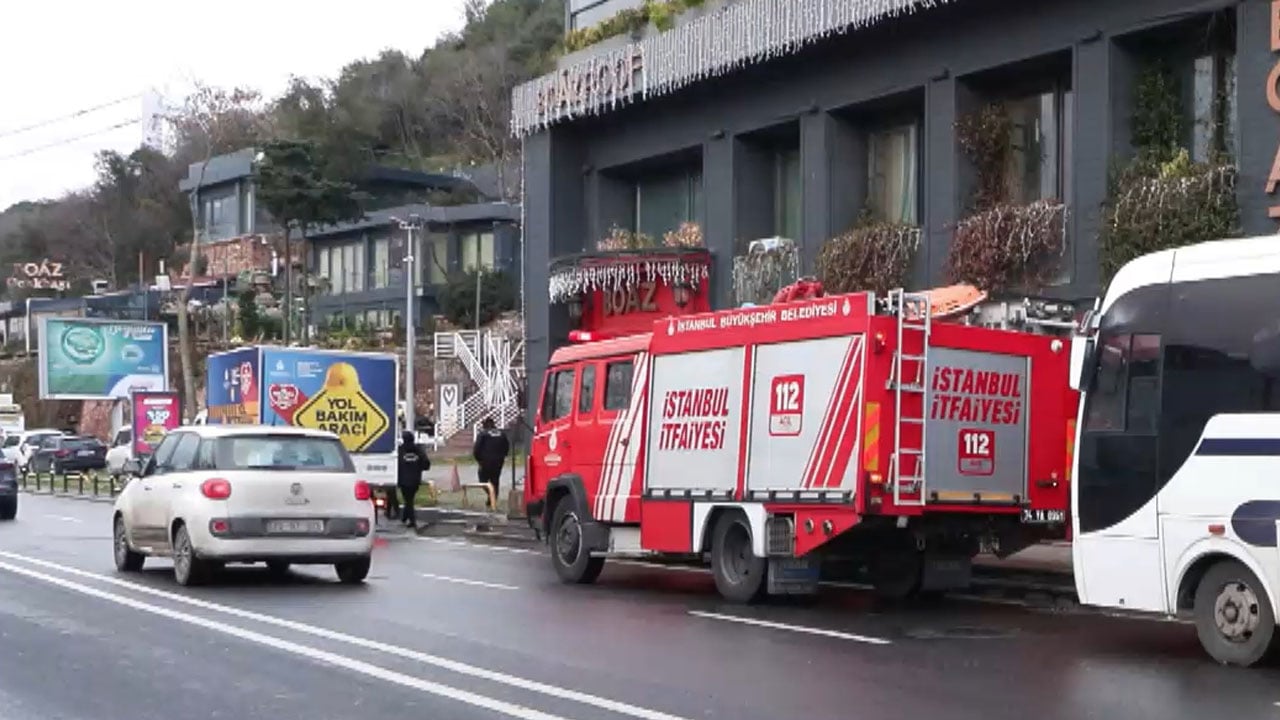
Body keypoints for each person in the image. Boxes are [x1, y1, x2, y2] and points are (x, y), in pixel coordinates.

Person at [472, 418, 510, 510]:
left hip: (485, 461)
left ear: (485, 425)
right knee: (495, 480)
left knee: (483, 480)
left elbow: (476, 449)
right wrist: (503, 456)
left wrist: (479, 460)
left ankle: (491, 495)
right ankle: (493, 498)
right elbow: (507, 446)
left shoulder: (483, 434)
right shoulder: (501, 434)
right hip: (498, 461)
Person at [396, 430, 430, 528]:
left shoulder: (400, 450)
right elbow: (426, 465)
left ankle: (412, 521)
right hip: (415, 480)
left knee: (408, 500)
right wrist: (417, 467)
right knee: (409, 499)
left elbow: (396, 465)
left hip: (403, 480)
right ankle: (405, 518)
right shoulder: (418, 450)